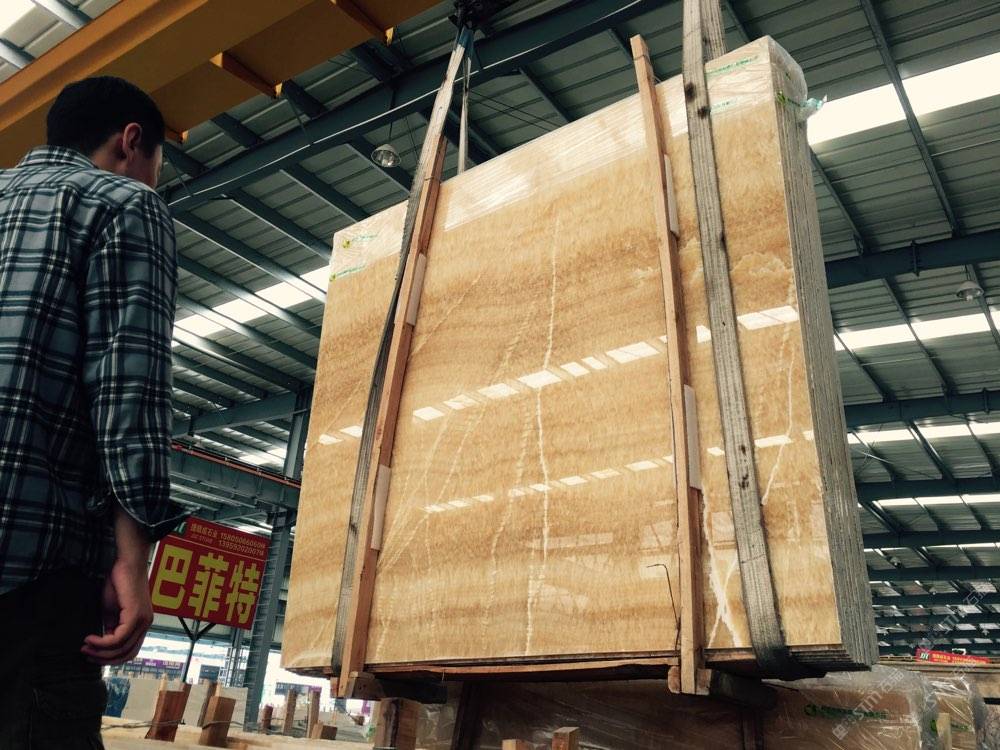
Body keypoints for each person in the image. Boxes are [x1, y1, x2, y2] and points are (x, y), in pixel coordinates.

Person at [0, 76, 186, 748]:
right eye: (157, 166)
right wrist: (133, 563)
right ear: (131, 142)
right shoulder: (123, 204)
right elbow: (128, 393)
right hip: (29, 575)